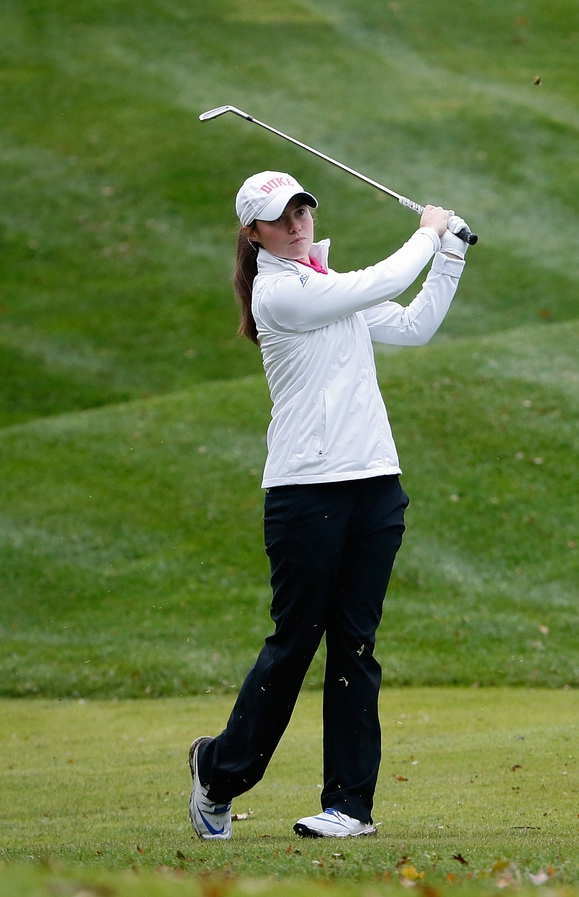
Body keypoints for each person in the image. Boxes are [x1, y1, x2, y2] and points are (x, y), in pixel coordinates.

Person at [187, 170, 469, 840]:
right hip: (304, 492)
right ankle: (218, 772)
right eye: (280, 218)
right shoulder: (279, 292)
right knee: (295, 644)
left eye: (302, 210)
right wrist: (428, 233)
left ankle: (348, 805)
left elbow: (413, 325)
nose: (296, 223)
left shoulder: (321, 281)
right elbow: (376, 283)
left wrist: (451, 255)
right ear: (254, 233)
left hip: (375, 484)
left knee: (355, 646)